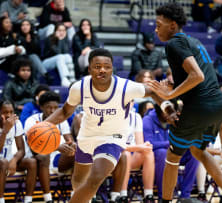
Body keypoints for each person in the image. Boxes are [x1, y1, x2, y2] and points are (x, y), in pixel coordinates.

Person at [147, 3, 222, 203]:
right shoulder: (195, 42)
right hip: (218, 107)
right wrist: (170, 98)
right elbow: (200, 78)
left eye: (158, 25)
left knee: (173, 158)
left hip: (200, 107)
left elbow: (196, 76)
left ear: (172, 25)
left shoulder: (174, 44)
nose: (155, 30)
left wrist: (169, 94)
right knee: (199, 150)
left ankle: (165, 201)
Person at [43, 48, 164, 203]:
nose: (103, 70)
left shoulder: (125, 86)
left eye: (107, 66)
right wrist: (44, 125)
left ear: (112, 68)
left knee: (96, 177)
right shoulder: (79, 87)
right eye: (97, 66)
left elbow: (153, 91)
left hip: (112, 138)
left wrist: (168, 106)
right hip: (87, 136)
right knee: (78, 182)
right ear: (89, 69)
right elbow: (65, 111)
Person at [0, 99, 37, 203]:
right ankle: (0, 200)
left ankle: (28, 200)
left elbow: (22, 150)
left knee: (32, 162)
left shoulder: (17, 123)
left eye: (11, 112)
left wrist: (14, 160)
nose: (9, 115)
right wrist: (5, 131)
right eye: (5, 112)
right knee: (2, 162)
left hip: (8, 161)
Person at [23, 91, 75, 202]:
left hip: (57, 161)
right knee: (44, 156)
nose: (52, 111)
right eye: (48, 107)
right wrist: (56, 147)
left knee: (79, 152)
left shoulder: (62, 121)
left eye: (55, 108)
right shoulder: (31, 121)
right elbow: (33, 147)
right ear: (41, 107)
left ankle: (76, 195)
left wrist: (72, 145)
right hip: (36, 158)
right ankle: (48, 199)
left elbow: (69, 139)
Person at [142, 105, 198, 202]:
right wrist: (169, 143)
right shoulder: (148, 120)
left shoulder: (175, 119)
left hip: (174, 153)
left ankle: (185, 196)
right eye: (166, 112)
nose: (169, 115)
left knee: (194, 153)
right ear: (159, 110)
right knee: (162, 153)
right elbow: (149, 143)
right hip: (156, 155)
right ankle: (163, 196)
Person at [120, 106, 155, 202]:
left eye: (131, 100)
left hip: (130, 155)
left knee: (148, 153)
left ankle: (148, 195)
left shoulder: (136, 117)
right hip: (114, 157)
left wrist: (145, 146)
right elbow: (117, 146)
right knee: (125, 155)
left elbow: (140, 144)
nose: (129, 103)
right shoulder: (112, 115)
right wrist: (140, 147)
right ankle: (122, 196)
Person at [42, 23, 74, 87]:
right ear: (55, 31)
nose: (62, 32)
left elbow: (66, 53)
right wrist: (59, 40)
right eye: (59, 30)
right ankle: (64, 79)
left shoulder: (65, 39)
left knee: (68, 56)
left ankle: (72, 79)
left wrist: (62, 40)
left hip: (59, 61)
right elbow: (57, 52)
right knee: (60, 57)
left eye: (63, 30)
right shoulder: (50, 39)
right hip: (46, 63)